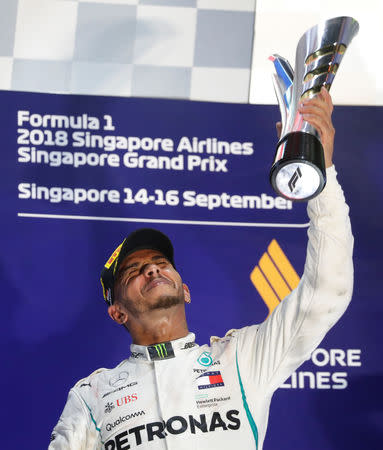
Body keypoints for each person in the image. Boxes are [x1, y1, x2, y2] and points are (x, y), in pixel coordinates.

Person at [49, 87, 354, 449]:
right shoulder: (92, 396)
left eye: (161, 263)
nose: (151, 270)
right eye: (133, 272)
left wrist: (320, 177)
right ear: (116, 312)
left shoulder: (242, 360)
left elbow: (326, 290)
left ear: (186, 290)